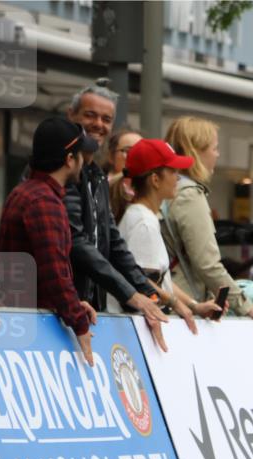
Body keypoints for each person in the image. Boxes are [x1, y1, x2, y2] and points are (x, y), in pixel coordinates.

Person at [65, 84, 169, 349]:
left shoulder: (97, 175)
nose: (98, 124)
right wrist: (131, 294)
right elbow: (75, 241)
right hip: (61, 311)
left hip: (92, 312)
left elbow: (114, 242)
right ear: (71, 115)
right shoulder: (61, 171)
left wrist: (147, 294)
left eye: (106, 119)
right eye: (90, 115)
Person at [0, 118, 98, 365]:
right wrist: (79, 323)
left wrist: (73, 305)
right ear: (69, 159)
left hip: (22, 326)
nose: (84, 161)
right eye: (80, 155)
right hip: (35, 335)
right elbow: (54, 272)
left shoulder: (25, 192)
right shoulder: (44, 202)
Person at [162, 116, 253, 334]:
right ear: (196, 151)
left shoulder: (172, 190)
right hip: (181, 313)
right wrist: (247, 307)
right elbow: (208, 265)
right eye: (215, 148)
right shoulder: (190, 196)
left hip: (173, 304)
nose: (218, 154)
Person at [112, 138, 221, 328]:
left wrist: (195, 306)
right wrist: (175, 304)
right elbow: (143, 284)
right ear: (155, 180)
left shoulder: (144, 216)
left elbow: (161, 281)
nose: (178, 177)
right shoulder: (144, 223)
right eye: (172, 171)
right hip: (137, 329)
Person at [104, 127, 142, 222]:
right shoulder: (102, 189)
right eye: (128, 151)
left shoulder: (150, 186)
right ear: (111, 156)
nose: (135, 156)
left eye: (141, 151)